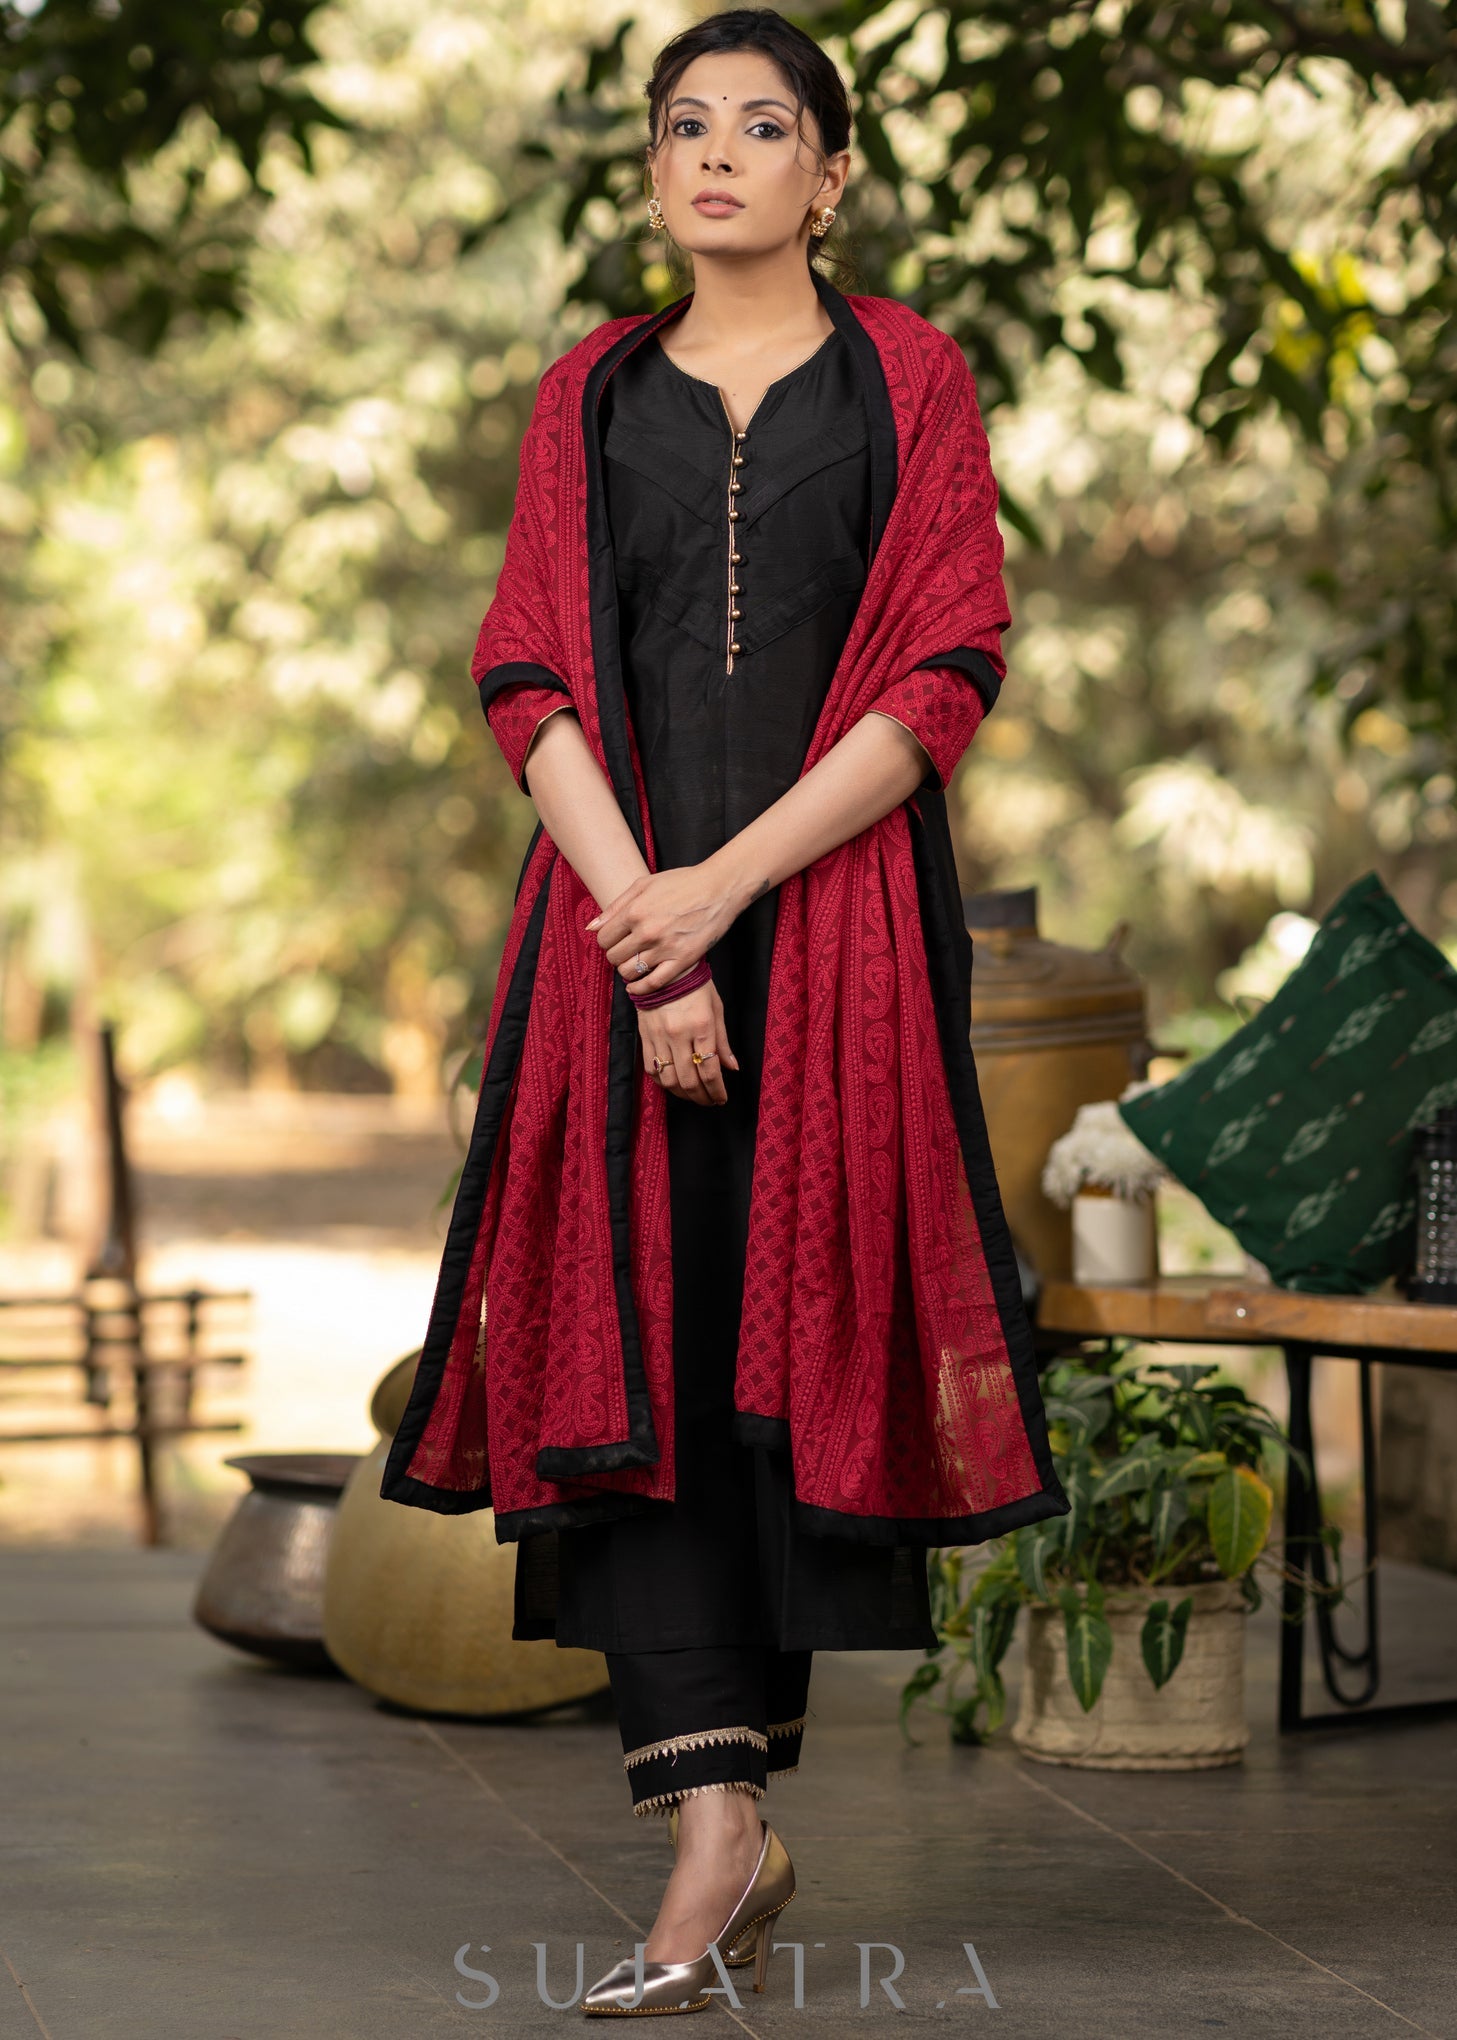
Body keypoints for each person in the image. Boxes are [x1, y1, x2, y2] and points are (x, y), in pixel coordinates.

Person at [381, 6, 1069, 2016]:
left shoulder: (907, 376)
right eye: (686, 124)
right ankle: (708, 1826)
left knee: (787, 1345)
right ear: (654, 166)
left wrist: (728, 895)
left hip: (836, 939)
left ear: (829, 175)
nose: (716, 155)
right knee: (636, 1349)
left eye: (763, 127)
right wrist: (652, 935)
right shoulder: (588, 394)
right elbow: (527, 677)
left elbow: (946, 668)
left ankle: (740, 1811)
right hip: (612, 941)